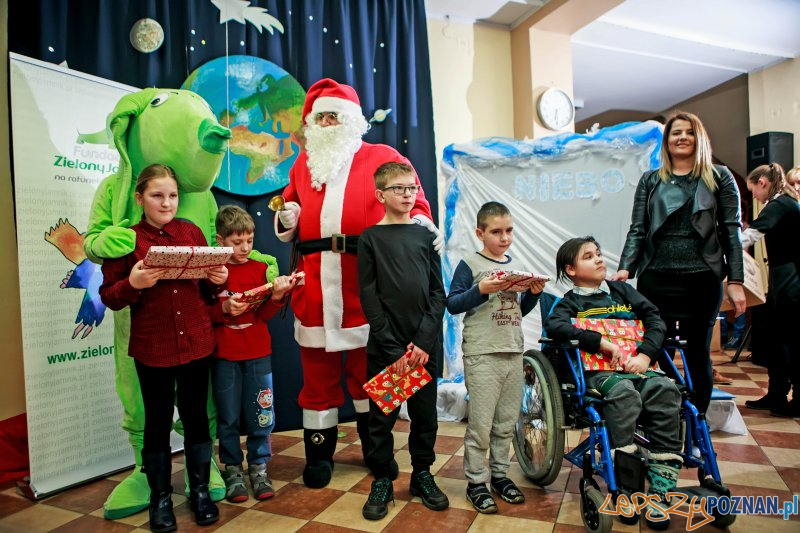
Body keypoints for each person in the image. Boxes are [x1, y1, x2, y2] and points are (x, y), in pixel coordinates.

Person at [274, 78, 442, 488]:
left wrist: (420, 222)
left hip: (367, 281)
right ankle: (318, 457)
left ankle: (376, 449)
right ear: (312, 123)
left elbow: (412, 195)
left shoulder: (381, 156)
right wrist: (287, 218)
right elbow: (286, 204)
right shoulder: (303, 163)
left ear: (352, 120)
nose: (328, 122)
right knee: (317, 375)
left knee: (368, 374)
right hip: (314, 283)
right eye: (321, 117)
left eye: (336, 115)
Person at [99, 164, 228, 532]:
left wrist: (218, 279)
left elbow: (207, 293)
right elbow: (109, 297)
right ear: (140, 198)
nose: (166, 202)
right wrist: (134, 283)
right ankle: (160, 499)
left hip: (196, 342)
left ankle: (200, 491)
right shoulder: (126, 240)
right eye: (157, 195)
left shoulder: (192, 232)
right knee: (156, 424)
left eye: (172, 195)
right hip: (152, 347)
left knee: (196, 419)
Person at [612, 111, 746, 414]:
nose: (682, 137)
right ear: (667, 141)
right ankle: (674, 404)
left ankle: (697, 421)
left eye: (689, 132)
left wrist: (735, 281)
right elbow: (638, 228)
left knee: (699, 352)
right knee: (653, 347)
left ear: (699, 138)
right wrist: (625, 268)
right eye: (676, 133)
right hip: (656, 278)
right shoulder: (650, 180)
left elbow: (731, 232)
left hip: (703, 278)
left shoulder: (720, 177)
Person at [545, 236, 682, 528]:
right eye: (588, 256)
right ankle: (628, 490)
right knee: (623, 394)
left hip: (639, 367)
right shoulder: (570, 302)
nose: (598, 259)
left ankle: (660, 491)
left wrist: (645, 356)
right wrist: (601, 343)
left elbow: (656, 320)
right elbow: (555, 326)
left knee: (665, 389)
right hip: (601, 373)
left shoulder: (622, 292)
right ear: (571, 269)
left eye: (598, 253)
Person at [357, 162, 448, 520]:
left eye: (412, 187)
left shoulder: (426, 237)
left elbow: (437, 294)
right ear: (381, 195)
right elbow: (369, 297)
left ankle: (422, 474)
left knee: (425, 417)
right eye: (399, 188)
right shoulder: (371, 239)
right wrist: (394, 350)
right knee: (382, 419)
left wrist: (423, 343)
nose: (408, 194)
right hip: (387, 350)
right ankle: (382, 479)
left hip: (423, 350)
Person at [445, 201, 545, 513]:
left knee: (506, 423)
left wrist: (534, 294)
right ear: (480, 233)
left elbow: (517, 310)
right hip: (482, 353)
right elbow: (452, 303)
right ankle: (477, 482)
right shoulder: (470, 264)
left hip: (512, 352)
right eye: (497, 232)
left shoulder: (513, 264)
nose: (504, 237)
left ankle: (500, 475)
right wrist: (482, 289)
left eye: (509, 231)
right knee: (481, 424)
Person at [209, 206, 297, 502]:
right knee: (229, 416)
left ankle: (259, 468)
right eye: (237, 242)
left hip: (259, 354)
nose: (245, 248)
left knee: (262, 414)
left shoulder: (261, 268)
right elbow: (200, 313)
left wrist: (275, 296)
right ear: (220, 241)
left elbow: (265, 315)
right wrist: (222, 310)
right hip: (224, 357)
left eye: (249, 240)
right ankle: (233, 469)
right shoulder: (211, 272)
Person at [741, 163, 800, 417]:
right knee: (777, 337)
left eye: (753, 190)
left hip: (791, 278)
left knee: (790, 339)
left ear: (763, 183)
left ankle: (796, 399)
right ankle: (776, 393)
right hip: (783, 276)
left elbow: (750, 236)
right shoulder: (784, 203)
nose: (754, 195)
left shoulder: (779, 204)